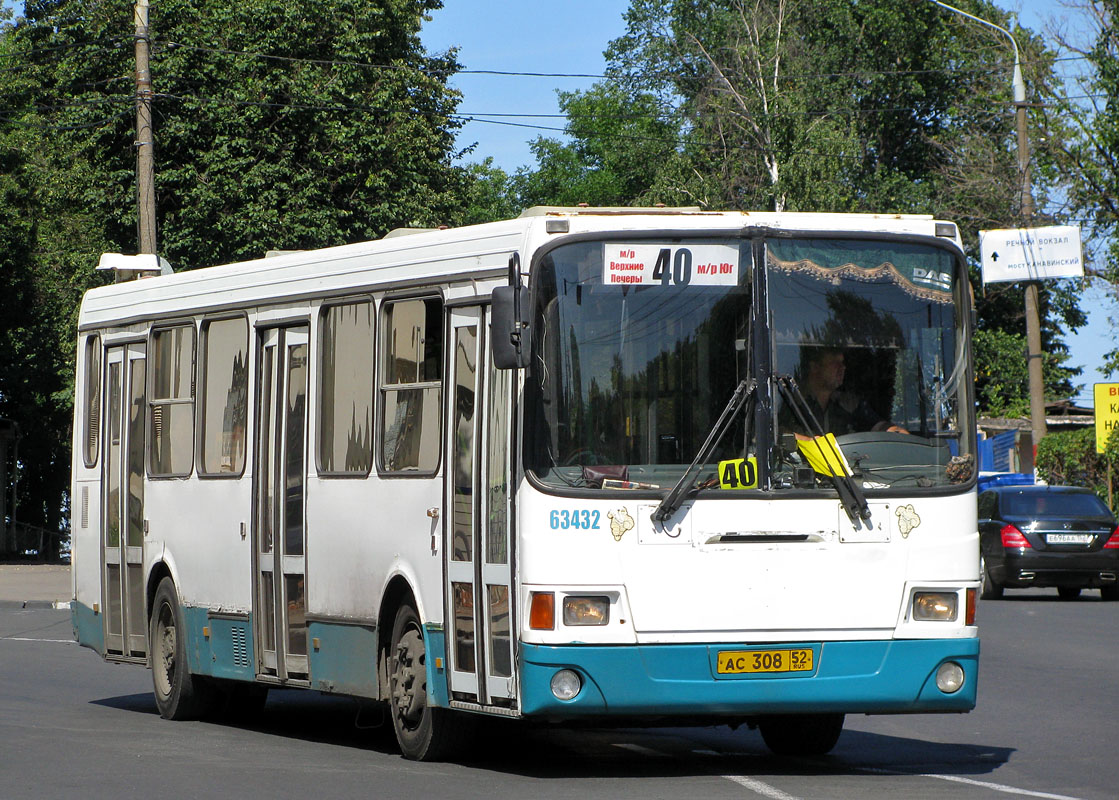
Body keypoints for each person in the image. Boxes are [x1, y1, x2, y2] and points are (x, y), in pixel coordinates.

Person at [787, 347, 906, 437]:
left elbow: (877, 425)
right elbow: (778, 434)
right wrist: (809, 442)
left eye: (842, 363)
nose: (842, 367)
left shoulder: (848, 404)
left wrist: (895, 432)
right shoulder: (790, 402)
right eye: (835, 363)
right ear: (815, 367)